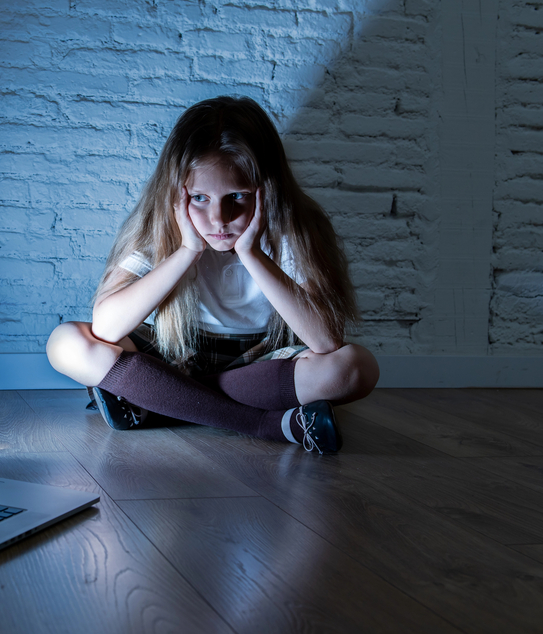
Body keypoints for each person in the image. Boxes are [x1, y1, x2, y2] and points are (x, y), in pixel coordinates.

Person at [46, 96, 379, 454]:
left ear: (268, 189)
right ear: (177, 193)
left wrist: (250, 253)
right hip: (176, 353)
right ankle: (269, 424)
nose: (219, 218)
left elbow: (326, 341)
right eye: (200, 198)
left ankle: (156, 399)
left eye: (238, 195)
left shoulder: (296, 229)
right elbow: (108, 328)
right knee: (66, 343)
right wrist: (187, 252)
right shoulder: (163, 225)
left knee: (355, 368)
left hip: (262, 361)